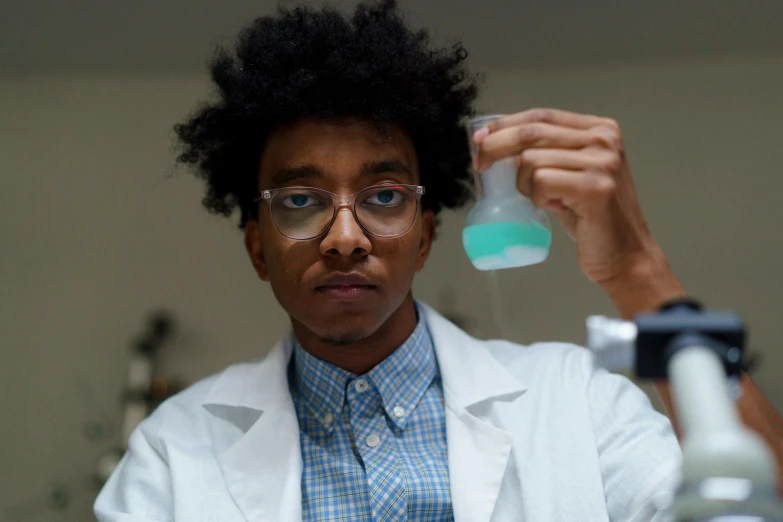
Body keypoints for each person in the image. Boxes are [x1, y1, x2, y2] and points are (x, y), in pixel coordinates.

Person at [95, 1, 783, 521]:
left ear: (425, 236)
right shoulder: (175, 448)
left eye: (384, 194)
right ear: (257, 248)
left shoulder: (576, 401)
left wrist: (638, 272)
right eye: (301, 199)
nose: (344, 237)